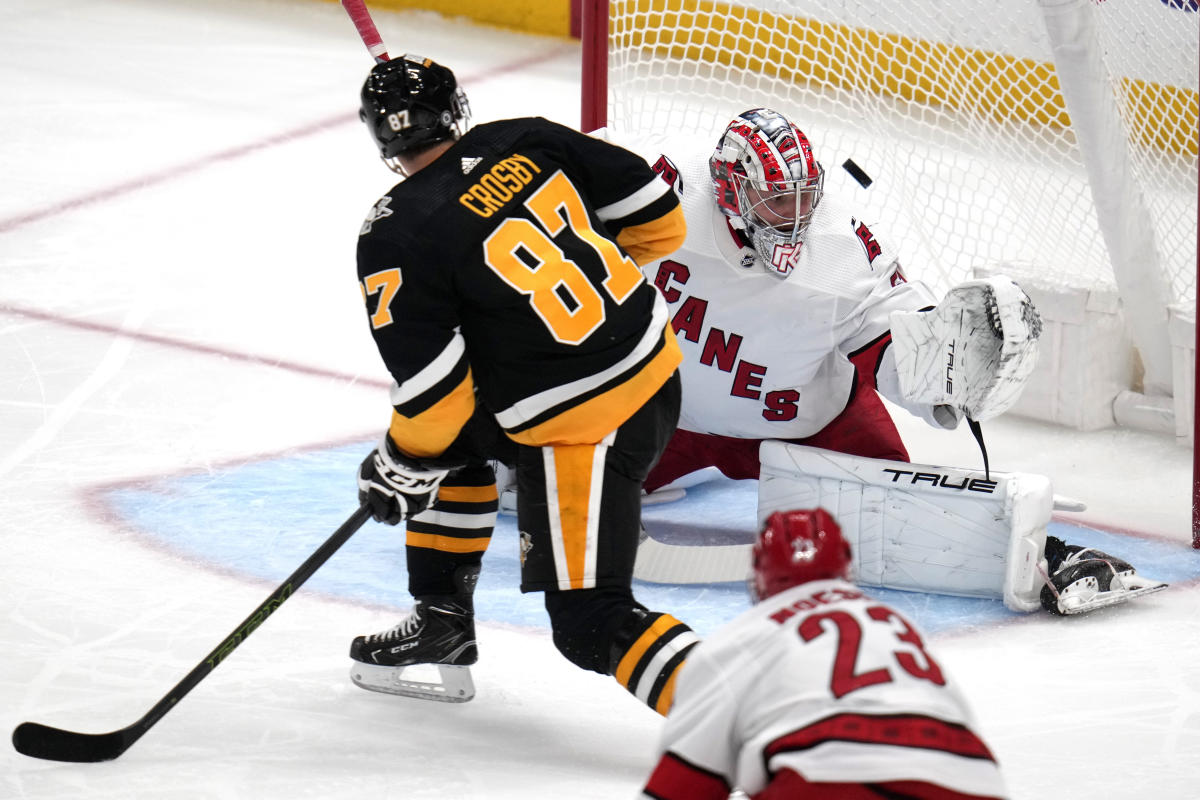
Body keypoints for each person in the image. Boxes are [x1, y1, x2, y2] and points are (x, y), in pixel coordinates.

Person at [627, 107, 1164, 615]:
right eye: (776, 202)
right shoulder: (656, 194)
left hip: (804, 426)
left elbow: (907, 354)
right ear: (730, 191)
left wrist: (953, 367)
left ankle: (1053, 557)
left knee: (912, 510)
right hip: (667, 415)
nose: (795, 218)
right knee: (557, 483)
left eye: (804, 198)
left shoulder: (844, 252)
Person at [346, 54, 698, 712]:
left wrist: (397, 463)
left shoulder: (394, 231)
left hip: (587, 425)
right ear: (456, 112)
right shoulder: (527, 136)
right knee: (455, 447)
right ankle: (442, 623)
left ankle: (754, 715)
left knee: (592, 622)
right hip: (654, 369)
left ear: (383, 139)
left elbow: (433, 395)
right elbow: (662, 225)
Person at [640, 508, 1008, 800]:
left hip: (826, 776)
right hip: (973, 780)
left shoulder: (740, 639)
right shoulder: (897, 624)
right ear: (845, 565)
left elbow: (682, 785)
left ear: (759, 571)